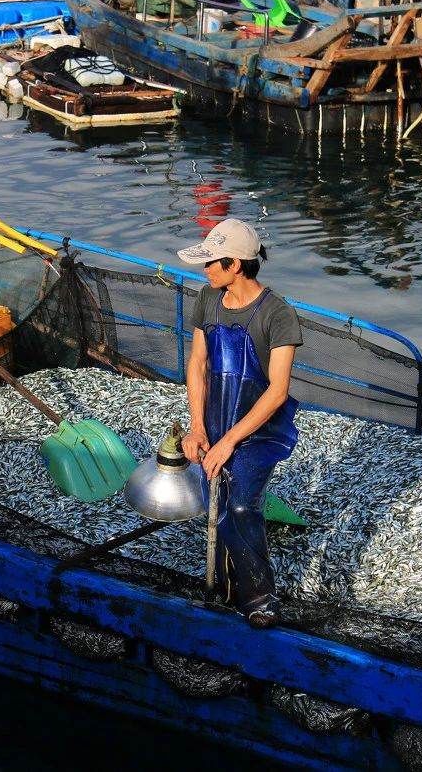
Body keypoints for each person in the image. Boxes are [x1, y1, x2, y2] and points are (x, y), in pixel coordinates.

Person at [177, 219, 301, 628]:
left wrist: (230, 440)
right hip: (213, 420)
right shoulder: (207, 299)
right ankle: (224, 584)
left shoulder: (277, 314)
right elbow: (197, 364)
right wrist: (198, 427)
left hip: (259, 430)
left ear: (236, 265)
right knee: (214, 497)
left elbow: (277, 391)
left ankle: (260, 597)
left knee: (242, 503)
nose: (205, 269)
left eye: (212, 262)